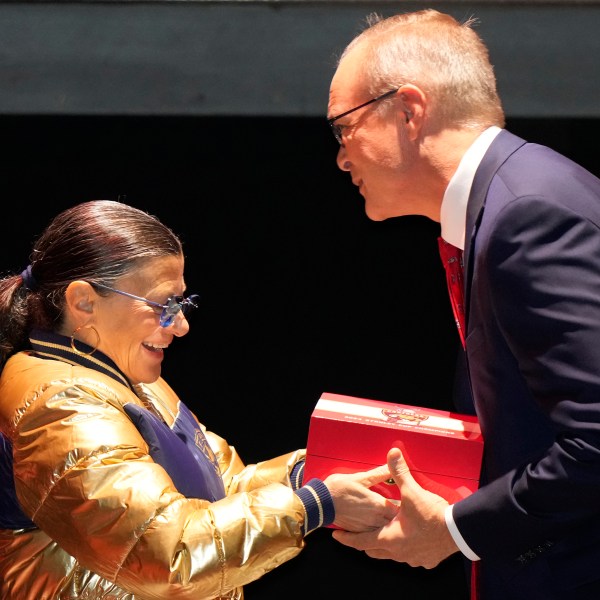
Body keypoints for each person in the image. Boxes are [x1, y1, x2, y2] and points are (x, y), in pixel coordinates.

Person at [325, 8, 600, 600]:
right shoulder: (509, 198)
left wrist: (456, 530)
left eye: (343, 128)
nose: (342, 157)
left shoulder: (526, 216)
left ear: (409, 110)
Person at [0, 199, 398, 599]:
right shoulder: (60, 402)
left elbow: (223, 487)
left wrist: (313, 472)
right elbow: (168, 556)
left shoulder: (123, 376)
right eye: (164, 306)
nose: (182, 326)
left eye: (182, 304)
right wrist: (314, 505)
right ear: (84, 302)